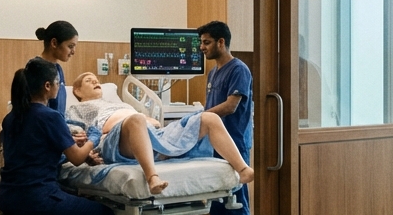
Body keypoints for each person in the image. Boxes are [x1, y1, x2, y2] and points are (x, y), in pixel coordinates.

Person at [0, 57, 114, 215]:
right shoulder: (50, 117)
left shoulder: (11, 118)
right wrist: (93, 137)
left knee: (70, 204)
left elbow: (34, 154)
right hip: (37, 198)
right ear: (47, 86)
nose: (61, 87)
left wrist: (71, 147)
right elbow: (77, 158)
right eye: (59, 83)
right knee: (102, 214)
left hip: (9, 197)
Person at [68, 72, 255, 195]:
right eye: (88, 80)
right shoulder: (77, 108)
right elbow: (74, 134)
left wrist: (145, 121)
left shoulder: (121, 103)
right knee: (137, 119)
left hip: (151, 134)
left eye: (96, 79)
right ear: (77, 90)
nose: (95, 81)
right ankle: (152, 177)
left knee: (208, 118)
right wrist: (87, 149)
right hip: (115, 140)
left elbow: (154, 123)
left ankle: (243, 169)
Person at [196, 21, 255, 215]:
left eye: (206, 42)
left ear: (221, 42)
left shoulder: (238, 70)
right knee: (218, 202)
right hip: (214, 145)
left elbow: (231, 107)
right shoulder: (213, 73)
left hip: (235, 144)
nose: (202, 47)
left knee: (236, 201)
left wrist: (200, 117)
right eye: (201, 42)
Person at [36, 20, 79, 123]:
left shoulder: (58, 69)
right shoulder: (36, 70)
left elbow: (59, 113)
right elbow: (39, 114)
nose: (73, 52)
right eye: (70, 46)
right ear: (54, 43)